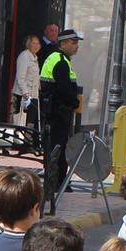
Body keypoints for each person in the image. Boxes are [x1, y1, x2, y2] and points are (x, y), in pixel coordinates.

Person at [40, 28, 84, 213]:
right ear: (63, 43)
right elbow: (64, 90)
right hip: (58, 113)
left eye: (77, 43)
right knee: (59, 148)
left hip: (54, 113)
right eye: (73, 43)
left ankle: (56, 182)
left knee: (55, 148)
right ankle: (58, 183)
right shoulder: (59, 61)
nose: (76, 46)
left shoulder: (58, 59)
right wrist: (74, 102)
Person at [13, 33, 42, 127]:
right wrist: (25, 94)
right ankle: (20, 139)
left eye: (38, 43)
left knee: (31, 121)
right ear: (28, 44)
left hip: (34, 95)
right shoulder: (24, 56)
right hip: (23, 95)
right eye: (33, 43)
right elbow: (20, 77)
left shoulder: (35, 58)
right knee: (21, 120)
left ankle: (27, 139)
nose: (36, 46)